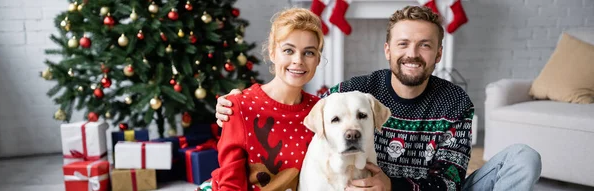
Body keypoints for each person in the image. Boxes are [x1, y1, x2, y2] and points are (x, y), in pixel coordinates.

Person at [215, 5, 542, 191]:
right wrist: (238, 102)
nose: (412, 54)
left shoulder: (455, 102)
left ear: (438, 52)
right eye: (402, 44)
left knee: (523, 157)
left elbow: (451, 181)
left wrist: (391, 188)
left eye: (424, 45)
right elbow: (305, 108)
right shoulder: (355, 93)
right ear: (387, 49)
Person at [199, 7, 325, 191]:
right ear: (273, 53)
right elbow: (231, 185)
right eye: (289, 50)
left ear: (317, 60)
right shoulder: (239, 106)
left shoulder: (320, 111)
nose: (298, 60)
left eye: (309, 52)